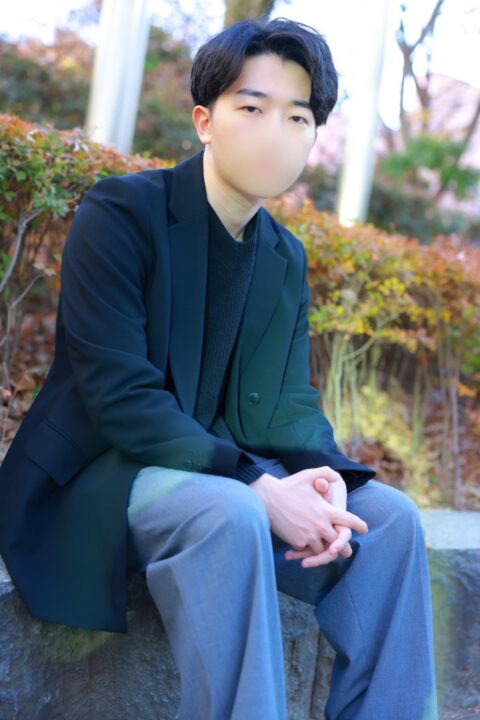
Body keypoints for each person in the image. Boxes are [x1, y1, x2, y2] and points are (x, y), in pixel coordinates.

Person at [0, 16, 438, 720]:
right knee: (232, 510)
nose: (276, 133)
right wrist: (256, 485)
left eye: (298, 117)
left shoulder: (283, 255)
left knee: (387, 520)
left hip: (220, 470)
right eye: (252, 108)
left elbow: (287, 404)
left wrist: (328, 479)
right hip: (104, 474)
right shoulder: (121, 213)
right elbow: (121, 398)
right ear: (205, 121)